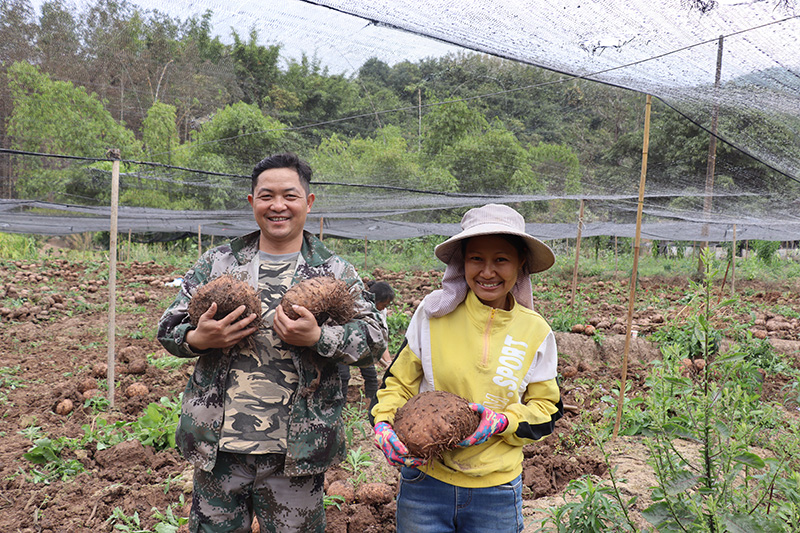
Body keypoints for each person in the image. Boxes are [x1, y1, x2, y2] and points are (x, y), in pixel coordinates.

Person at [157, 152, 387, 533]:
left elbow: (374, 338)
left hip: (295, 453)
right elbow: (169, 327)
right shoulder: (218, 263)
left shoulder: (335, 270)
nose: (277, 205)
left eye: (290, 195)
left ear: (308, 203)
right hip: (219, 450)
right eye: (266, 196)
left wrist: (319, 337)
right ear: (252, 203)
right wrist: (199, 338)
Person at [370, 203, 563, 533]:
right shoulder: (432, 316)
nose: (488, 272)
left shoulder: (536, 331)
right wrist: (383, 423)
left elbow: (547, 409)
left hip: (496, 491)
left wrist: (502, 421)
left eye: (501, 259)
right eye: (477, 259)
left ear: (521, 264)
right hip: (425, 485)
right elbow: (397, 383)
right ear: (462, 263)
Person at [337, 280, 395, 404]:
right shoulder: (355, 307)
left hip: (364, 345)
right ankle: (339, 408)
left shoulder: (380, 312)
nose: (385, 308)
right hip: (344, 344)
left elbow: (381, 340)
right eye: (384, 304)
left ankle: (371, 404)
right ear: (375, 301)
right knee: (343, 376)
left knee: (371, 375)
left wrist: (388, 362)